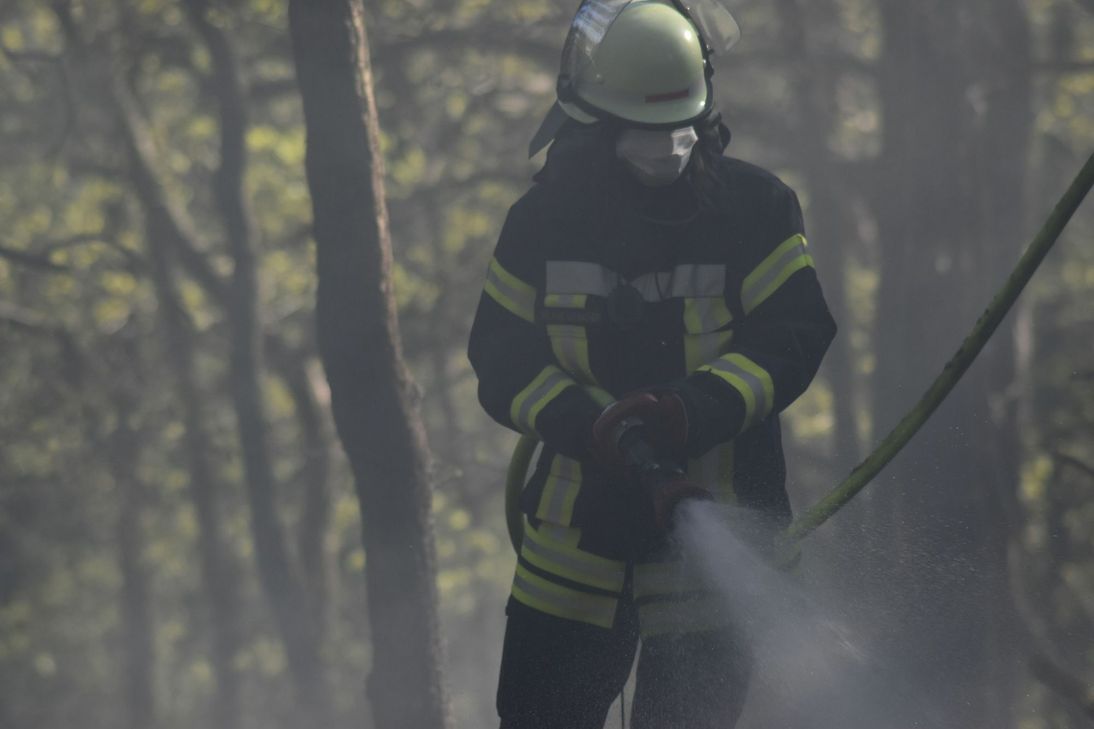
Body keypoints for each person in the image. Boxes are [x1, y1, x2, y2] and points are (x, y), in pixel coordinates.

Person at [467, 1, 837, 726]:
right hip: (575, 565)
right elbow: (502, 356)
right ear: (592, 120)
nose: (662, 149)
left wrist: (688, 411)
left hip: (712, 567)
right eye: (639, 130)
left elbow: (795, 333)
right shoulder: (541, 224)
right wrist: (591, 424)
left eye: (677, 130)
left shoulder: (755, 212)